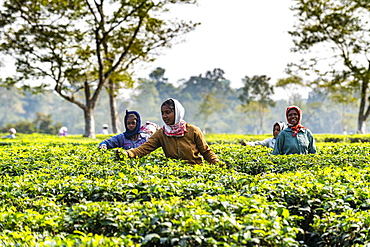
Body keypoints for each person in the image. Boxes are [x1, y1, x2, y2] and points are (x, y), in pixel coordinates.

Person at [116, 98, 221, 165]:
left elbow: (206, 152)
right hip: (174, 173)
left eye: (168, 112)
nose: (164, 116)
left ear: (177, 112)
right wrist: (127, 154)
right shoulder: (162, 133)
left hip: (195, 171)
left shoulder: (193, 131)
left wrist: (217, 163)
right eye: (162, 113)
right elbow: (143, 149)